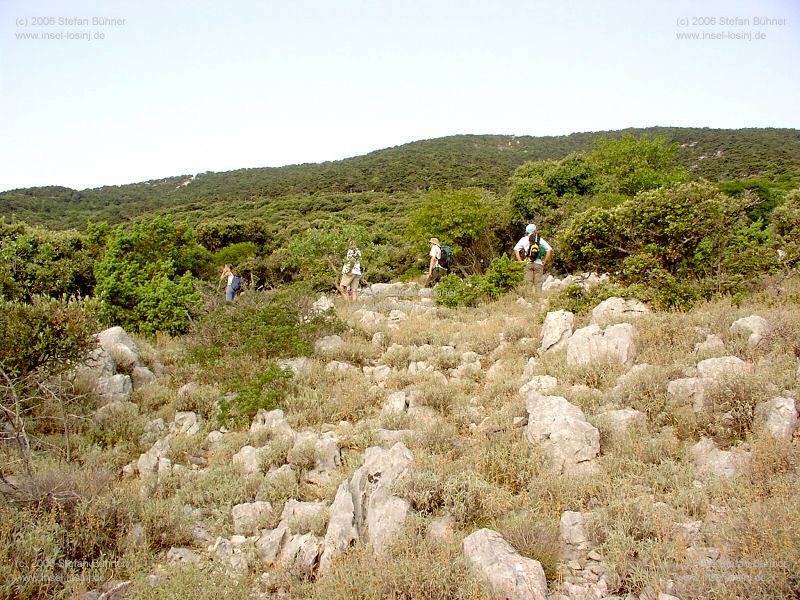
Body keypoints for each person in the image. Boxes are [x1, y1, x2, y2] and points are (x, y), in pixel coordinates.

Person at [514, 223, 553, 292]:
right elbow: (549, 249)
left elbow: (516, 249)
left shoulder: (523, 239)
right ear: (535, 230)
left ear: (527, 231)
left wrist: (520, 261)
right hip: (538, 263)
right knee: (538, 283)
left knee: (528, 282)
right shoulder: (539, 239)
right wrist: (545, 260)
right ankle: (539, 298)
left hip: (528, 263)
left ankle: (529, 299)